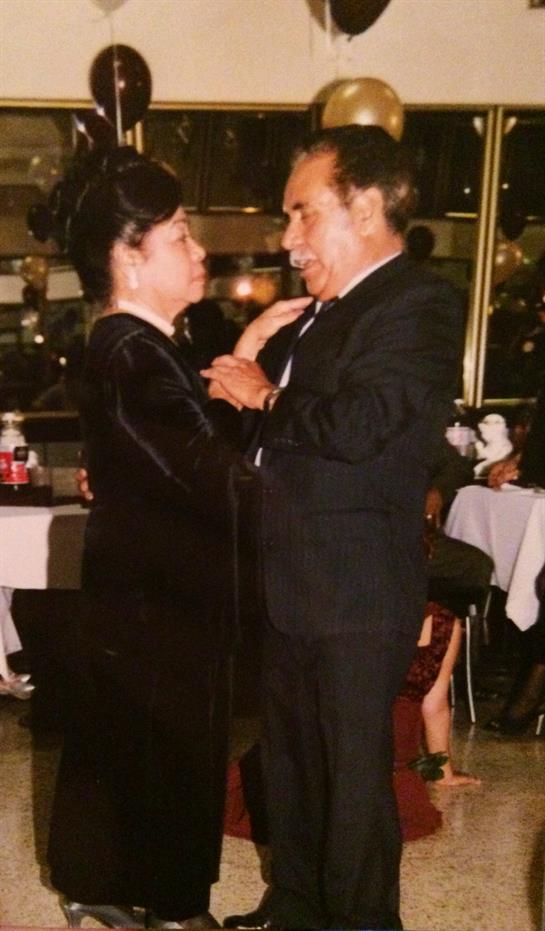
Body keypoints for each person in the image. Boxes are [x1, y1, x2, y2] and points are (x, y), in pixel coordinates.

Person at [203, 125, 464, 931]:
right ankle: (295, 906)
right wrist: (249, 372)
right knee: (290, 764)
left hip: (353, 591)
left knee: (352, 782)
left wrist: (264, 396)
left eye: (302, 214)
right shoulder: (316, 316)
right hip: (292, 582)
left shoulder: (416, 302)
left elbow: (365, 423)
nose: (287, 239)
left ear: (367, 207)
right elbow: (266, 439)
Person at [45, 146, 309, 930]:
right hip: (168, 607)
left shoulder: (133, 344)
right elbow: (217, 472)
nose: (200, 252)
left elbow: (183, 449)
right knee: (177, 758)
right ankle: (172, 905)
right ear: (129, 255)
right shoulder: (138, 354)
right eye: (181, 235)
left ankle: (93, 880)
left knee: (117, 743)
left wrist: (247, 348)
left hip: (138, 594)